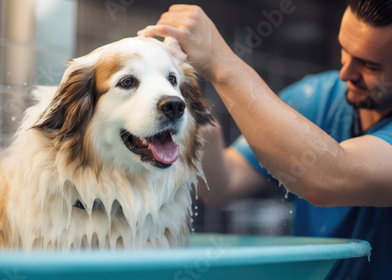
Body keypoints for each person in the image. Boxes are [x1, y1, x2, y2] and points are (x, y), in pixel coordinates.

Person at [139, 0, 392, 279]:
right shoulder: (316, 96)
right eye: (344, 49)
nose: (346, 72)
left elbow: (328, 179)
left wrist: (221, 61)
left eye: (370, 65)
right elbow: (223, 185)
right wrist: (194, 122)